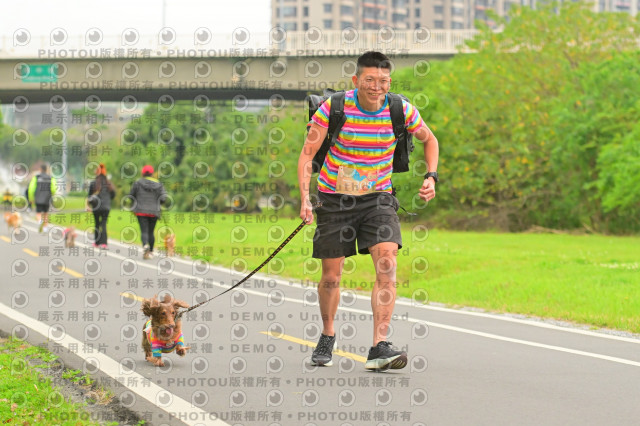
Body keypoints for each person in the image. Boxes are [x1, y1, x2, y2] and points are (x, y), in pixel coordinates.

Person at [297, 51, 439, 371]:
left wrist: (431, 175)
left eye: (383, 81)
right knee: (331, 276)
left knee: (387, 265)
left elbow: (430, 140)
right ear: (356, 80)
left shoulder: (400, 109)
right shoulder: (333, 108)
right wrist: (305, 197)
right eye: (370, 80)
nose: (377, 87)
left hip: (378, 199)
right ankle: (328, 334)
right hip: (335, 199)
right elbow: (307, 155)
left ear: (390, 81)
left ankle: (379, 345)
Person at [129, 165, 168, 259]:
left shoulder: (137, 183)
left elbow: (131, 196)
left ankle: (145, 245)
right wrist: (158, 203)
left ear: (143, 173)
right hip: (154, 212)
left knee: (144, 231)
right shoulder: (159, 184)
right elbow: (163, 198)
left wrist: (134, 204)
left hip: (141, 211)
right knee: (151, 231)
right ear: (152, 173)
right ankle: (150, 251)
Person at [86, 163, 115, 249]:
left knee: (97, 224)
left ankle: (97, 243)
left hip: (96, 207)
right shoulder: (109, 183)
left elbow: (89, 196)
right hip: (106, 207)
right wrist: (108, 200)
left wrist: (88, 206)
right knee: (103, 224)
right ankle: (104, 243)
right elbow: (113, 194)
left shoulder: (94, 183)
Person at [28, 164, 57, 233]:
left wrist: (31, 198)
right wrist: (52, 195)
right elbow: (53, 189)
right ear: (46, 170)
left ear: (40, 169)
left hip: (38, 198)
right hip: (47, 198)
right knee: (46, 214)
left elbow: (31, 189)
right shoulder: (51, 178)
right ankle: (45, 228)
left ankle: (39, 221)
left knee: (38, 213)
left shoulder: (36, 177)